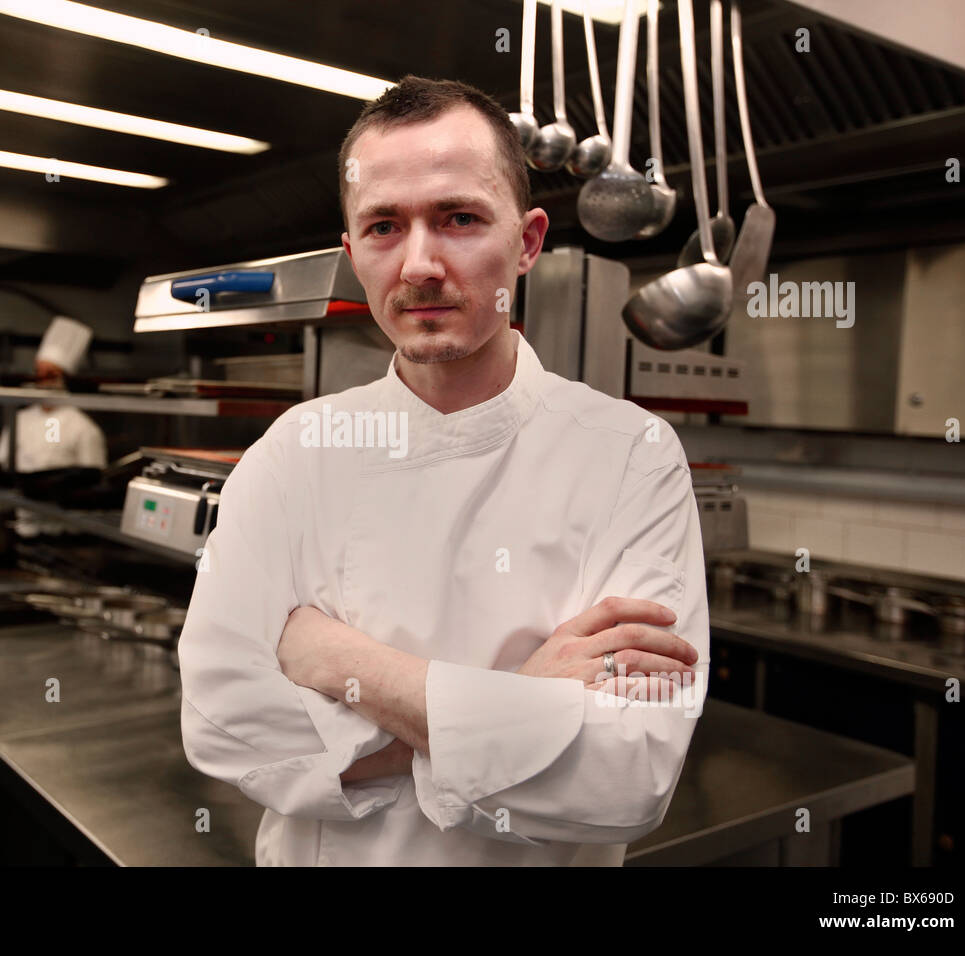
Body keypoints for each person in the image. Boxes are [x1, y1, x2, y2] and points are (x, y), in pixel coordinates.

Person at [178, 76, 709, 866]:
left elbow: (628, 776)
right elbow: (223, 728)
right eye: (385, 227)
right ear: (353, 254)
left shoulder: (632, 455)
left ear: (527, 241)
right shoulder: (292, 453)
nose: (420, 265)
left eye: (458, 218)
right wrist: (524, 705)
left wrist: (342, 665)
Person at [0, 315, 107, 535]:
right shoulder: (19, 420)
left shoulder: (84, 428)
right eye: (38, 374)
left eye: (50, 375)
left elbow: (94, 488)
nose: (41, 382)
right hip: (21, 528)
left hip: (65, 533)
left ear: (66, 378)